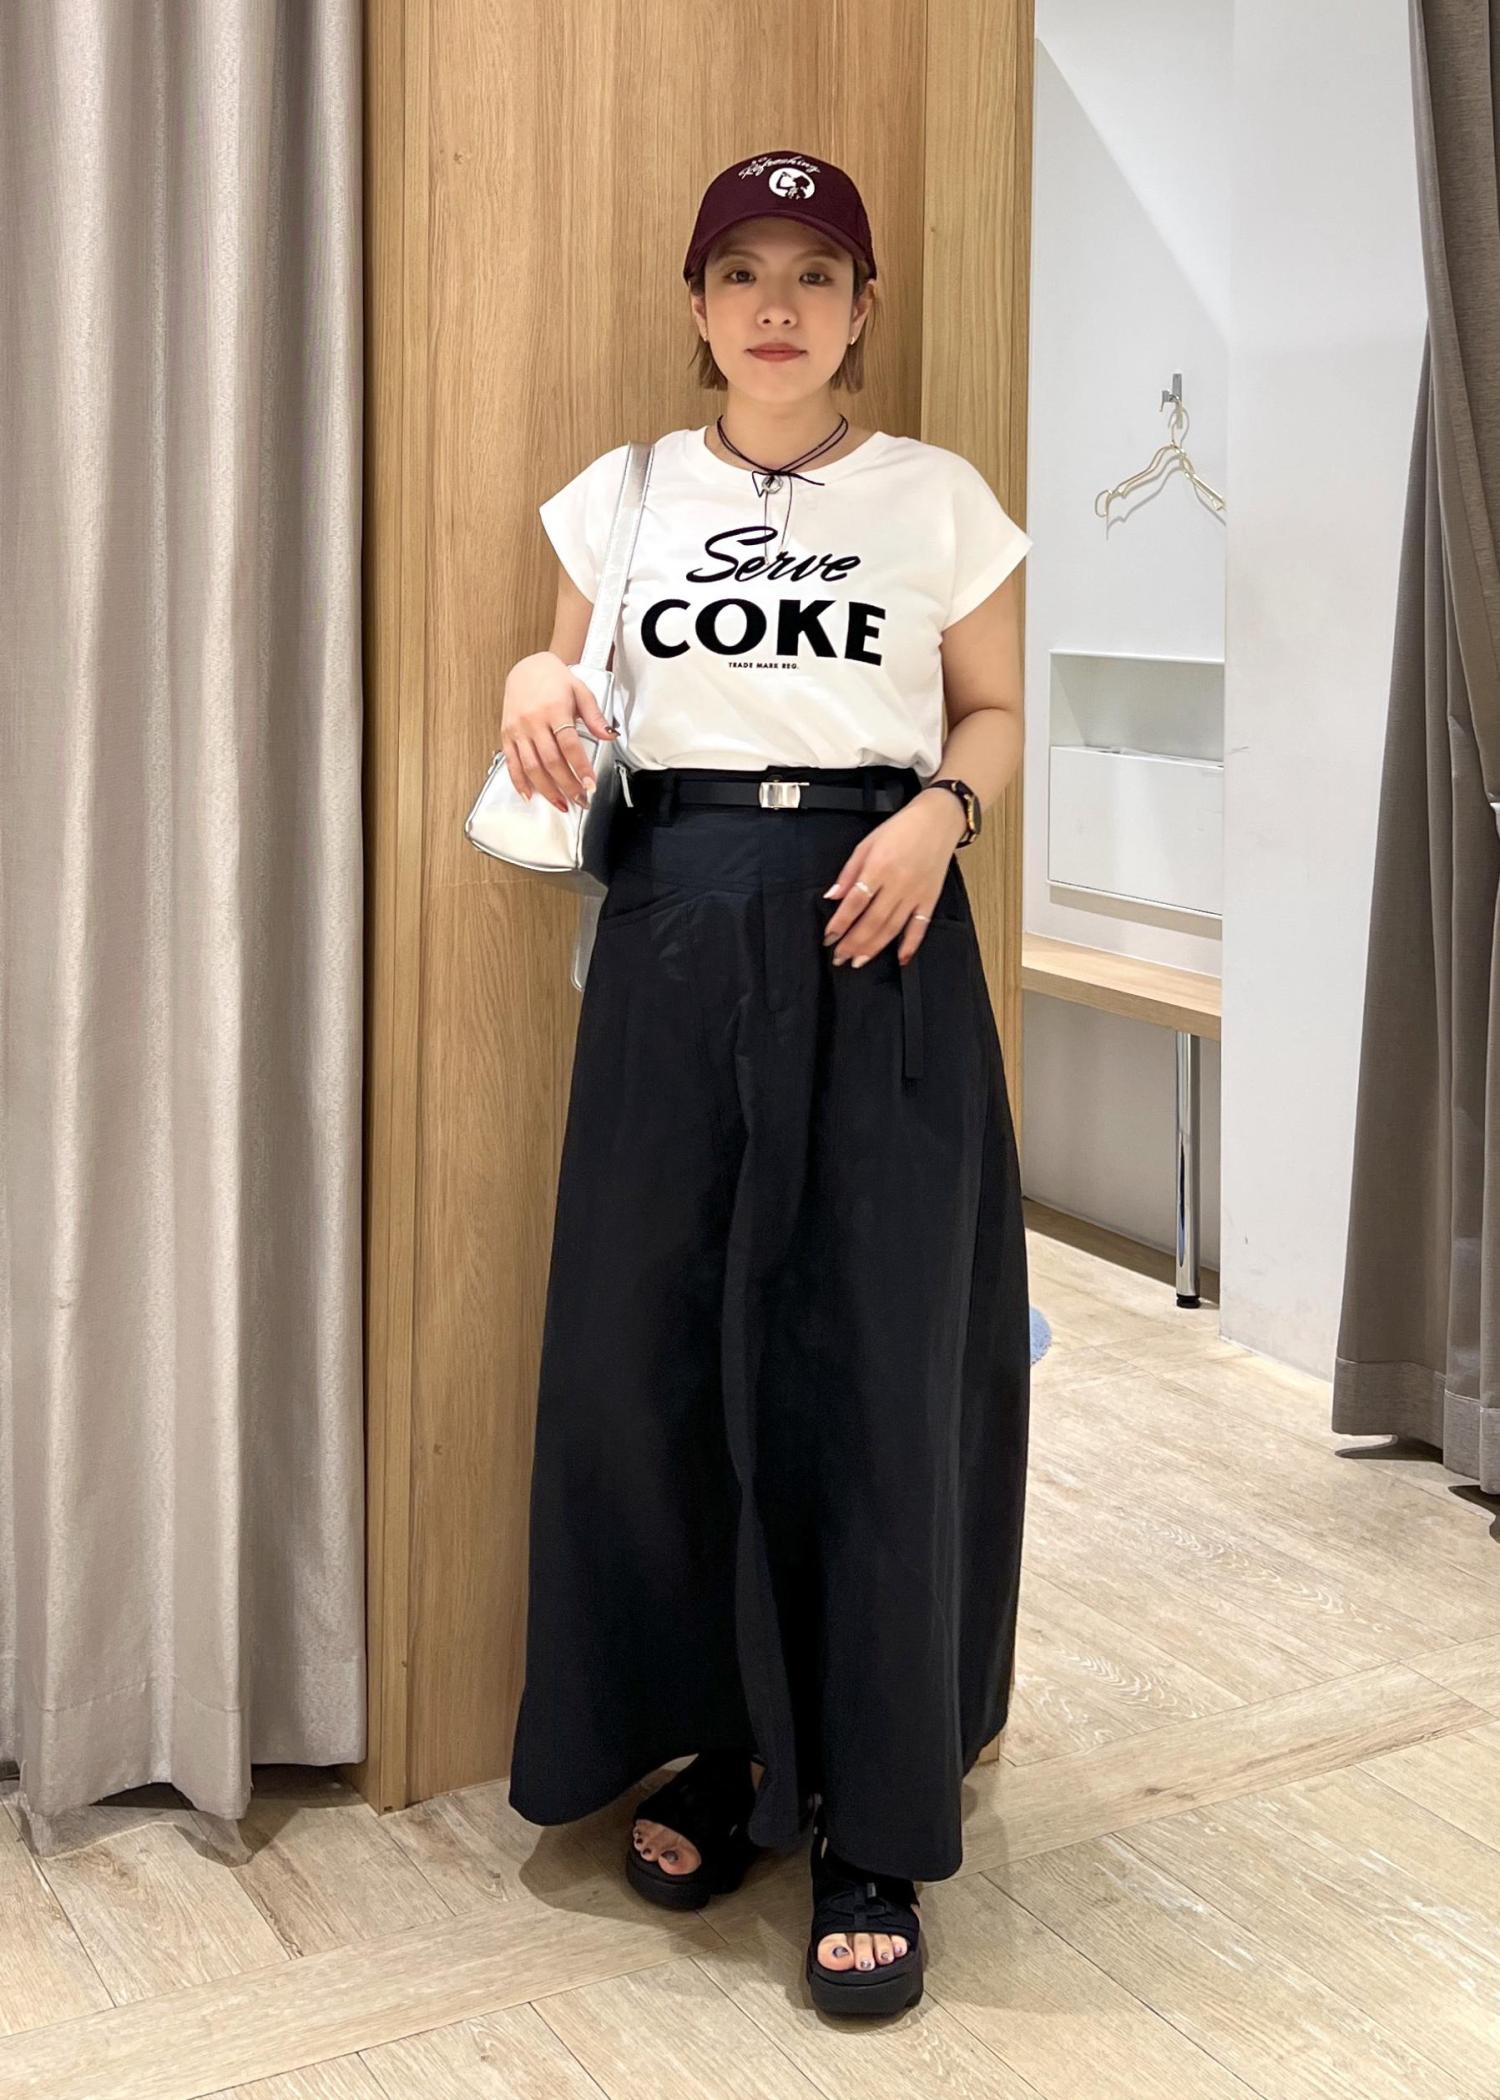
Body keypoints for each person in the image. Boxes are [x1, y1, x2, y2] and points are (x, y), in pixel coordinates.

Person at [503, 148, 1032, 2020]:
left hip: (878, 924)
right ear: (699, 304)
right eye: (744, 271)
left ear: (864, 307)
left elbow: (990, 706)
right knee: (659, 1347)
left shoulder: (935, 498)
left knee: (873, 1360)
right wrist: (526, 680)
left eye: (817, 271)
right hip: (675, 926)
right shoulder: (626, 491)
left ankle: (875, 1815)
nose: (779, 304)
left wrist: (943, 816)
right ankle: (725, 1750)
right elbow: (566, 681)